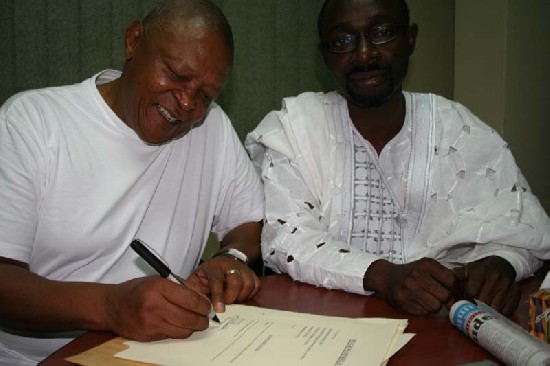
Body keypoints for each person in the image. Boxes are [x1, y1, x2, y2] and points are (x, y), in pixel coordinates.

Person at [246, 0, 550, 317]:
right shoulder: (294, 129)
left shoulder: (458, 129)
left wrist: (500, 263)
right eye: (342, 41)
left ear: (410, 39)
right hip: (324, 327)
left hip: (441, 331)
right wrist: (385, 275)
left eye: (382, 32)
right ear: (324, 55)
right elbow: (287, 240)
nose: (364, 54)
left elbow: (525, 231)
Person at [0, 0, 264, 364]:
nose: (187, 104)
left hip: (161, 352)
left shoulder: (211, 128)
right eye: (176, 74)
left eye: (206, 95)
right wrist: (109, 307)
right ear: (133, 41)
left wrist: (230, 258)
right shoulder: (32, 123)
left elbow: (248, 223)